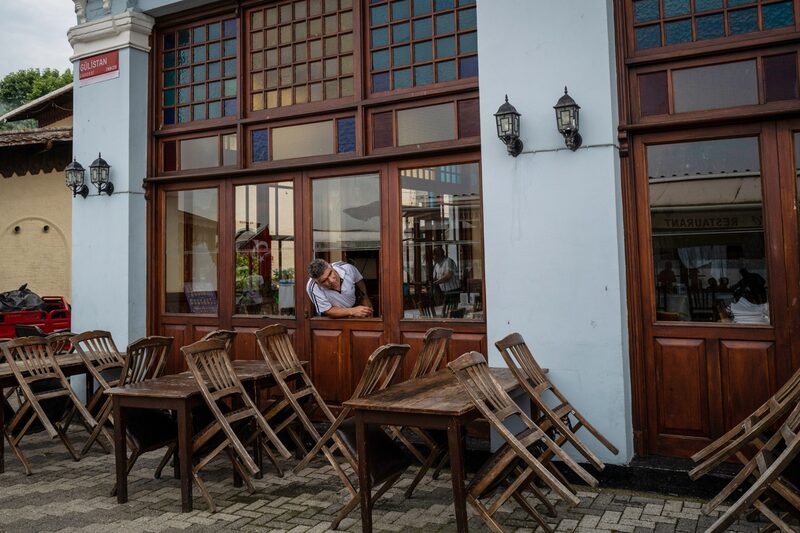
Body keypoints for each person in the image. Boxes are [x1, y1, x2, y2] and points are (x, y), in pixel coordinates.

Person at [306, 258, 373, 318]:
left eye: (330, 273)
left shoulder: (347, 268)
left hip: (353, 307)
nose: (331, 280)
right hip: (332, 318)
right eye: (324, 281)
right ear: (317, 283)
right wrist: (352, 311)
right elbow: (328, 310)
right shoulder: (312, 287)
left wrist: (365, 298)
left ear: (331, 266)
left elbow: (358, 280)